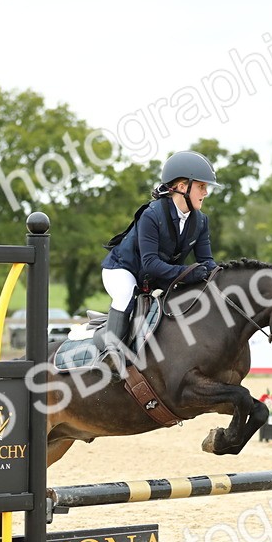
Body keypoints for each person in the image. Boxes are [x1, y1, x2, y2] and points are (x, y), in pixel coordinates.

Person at [97, 150, 218, 376]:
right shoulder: (152, 214)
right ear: (182, 187)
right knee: (126, 293)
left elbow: (207, 261)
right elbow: (150, 263)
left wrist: (221, 276)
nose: (206, 192)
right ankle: (111, 354)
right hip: (123, 270)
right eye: (201, 186)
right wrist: (188, 273)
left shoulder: (200, 221)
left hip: (156, 277)